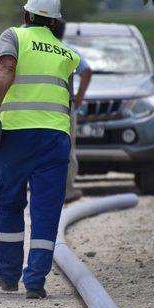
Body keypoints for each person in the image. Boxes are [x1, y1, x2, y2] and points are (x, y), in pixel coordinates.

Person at [0, 0, 80, 299]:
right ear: (55, 22)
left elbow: (6, 68)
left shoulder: (14, 36)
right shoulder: (68, 55)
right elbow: (68, 101)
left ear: (26, 15)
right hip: (55, 139)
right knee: (47, 210)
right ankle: (35, 281)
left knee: (9, 202)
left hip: (18, 133)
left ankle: (8, 276)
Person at [52, 18, 92, 202]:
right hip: (65, 109)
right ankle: (67, 191)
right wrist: (79, 97)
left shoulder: (40, 48)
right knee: (67, 150)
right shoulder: (68, 50)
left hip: (41, 109)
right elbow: (86, 70)